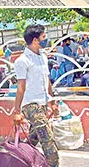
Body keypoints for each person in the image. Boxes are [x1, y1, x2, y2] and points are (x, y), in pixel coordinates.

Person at [12, 24, 59, 167]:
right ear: (35, 40)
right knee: (48, 140)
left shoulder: (43, 57)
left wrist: (52, 101)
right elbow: (21, 87)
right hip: (31, 105)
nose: (47, 39)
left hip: (43, 103)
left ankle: (17, 160)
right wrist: (17, 112)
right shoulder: (22, 61)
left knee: (34, 138)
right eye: (44, 37)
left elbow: (47, 81)